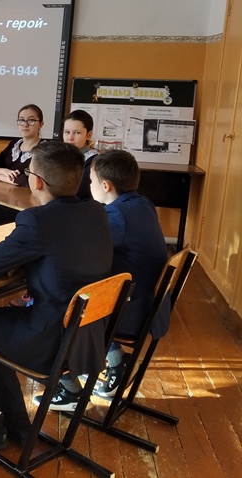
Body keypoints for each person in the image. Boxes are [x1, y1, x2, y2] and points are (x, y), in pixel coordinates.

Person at [0, 141, 113, 448]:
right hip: (85, 338)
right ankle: (17, 424)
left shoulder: (37, 220)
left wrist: (20, 259)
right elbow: (64, 254)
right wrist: (29, 259)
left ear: (37, 181)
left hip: (49, 341)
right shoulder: (96, 212)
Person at [88, 149, 168, 398]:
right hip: (151, 304)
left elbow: (85, 251)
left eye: (90, 181)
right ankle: (113, 360)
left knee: (68, 303)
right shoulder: (143, 204)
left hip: (131, 311)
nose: (89, 186)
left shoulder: (117, 215)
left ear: (105, 186)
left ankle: (72, 382)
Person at [0, 104, 44, 188]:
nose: (25, 124)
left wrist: (0, 177)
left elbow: (33, 181)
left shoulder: (46, 149)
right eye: (21, 120)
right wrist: (4, 172)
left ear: (40, 124)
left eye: (31, 120)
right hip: (6, 192)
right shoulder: (14, 145)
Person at [62, 109, 99, 200]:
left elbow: (77, 192)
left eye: (77, 133)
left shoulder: (93, 162)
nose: (70, 137)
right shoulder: (60, 157)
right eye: (67, 132)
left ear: (88, 135)